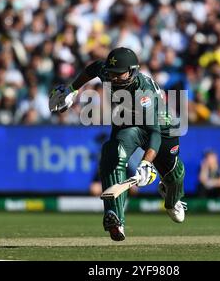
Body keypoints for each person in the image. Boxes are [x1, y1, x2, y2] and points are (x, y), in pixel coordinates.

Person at [49, 47, 186, 241]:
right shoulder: (108, 72)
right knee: (112, 152)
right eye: (111, 73)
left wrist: (146, 163)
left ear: (132, 71)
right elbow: (93, 68)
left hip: (162, 129)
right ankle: (115, 219)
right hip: (129, 123)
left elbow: (154, 133)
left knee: (174, 176)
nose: (113, 78)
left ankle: (172, 200)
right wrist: (72, 89)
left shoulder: (143, 91)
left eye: (118, 74)